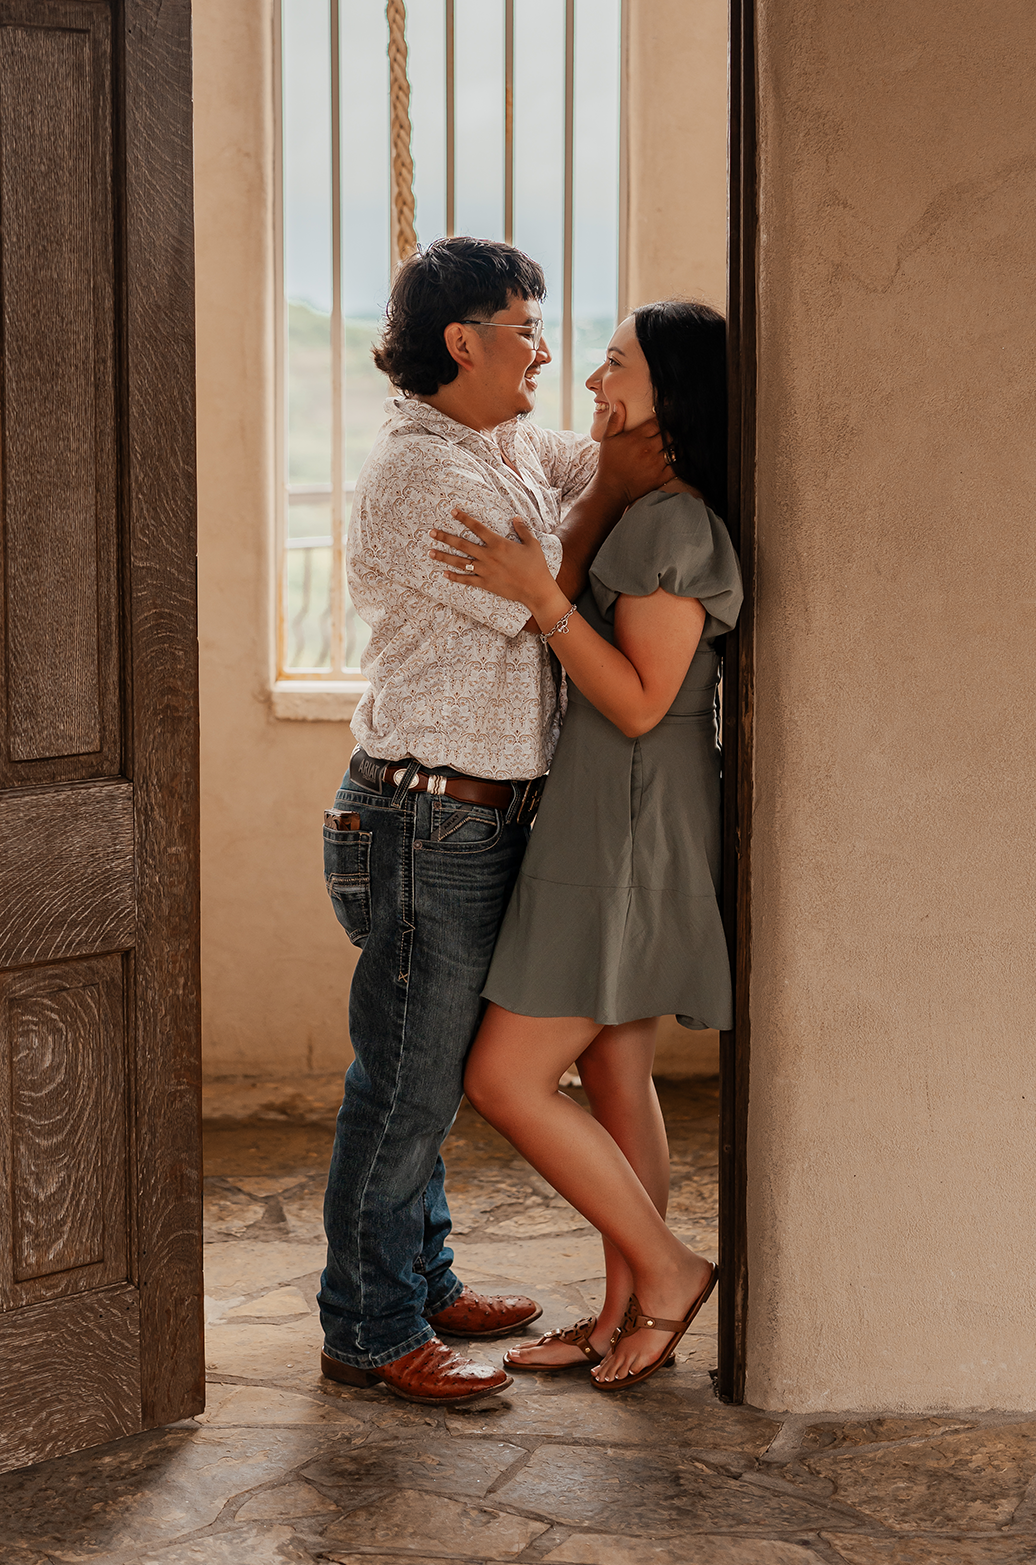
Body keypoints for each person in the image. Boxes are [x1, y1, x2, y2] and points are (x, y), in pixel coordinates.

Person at [317, 236, 671, 1406]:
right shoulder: (422, 474)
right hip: (425, 819)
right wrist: (608, 487)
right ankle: (370, 1329)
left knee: (427, 1073)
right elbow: (545, 584)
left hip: (470, 816)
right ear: (462, 342)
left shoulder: (501, 440)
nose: (546, 352)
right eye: (527, 329)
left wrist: (632, 443)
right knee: (405, 1088)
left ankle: (420, 1281)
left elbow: (601, 463)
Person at [429, 300, 742, 1391]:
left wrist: (538, 597)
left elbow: (645, 702)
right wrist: (571, 544)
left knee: (503, 1076)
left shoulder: (673, 527)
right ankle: (620, 1313)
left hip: (629, 825)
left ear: (672, 394)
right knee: (613, 1067)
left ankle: (668, 1271)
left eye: (616, 363)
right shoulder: (640, 509)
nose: (596, 381)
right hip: (610, 811)